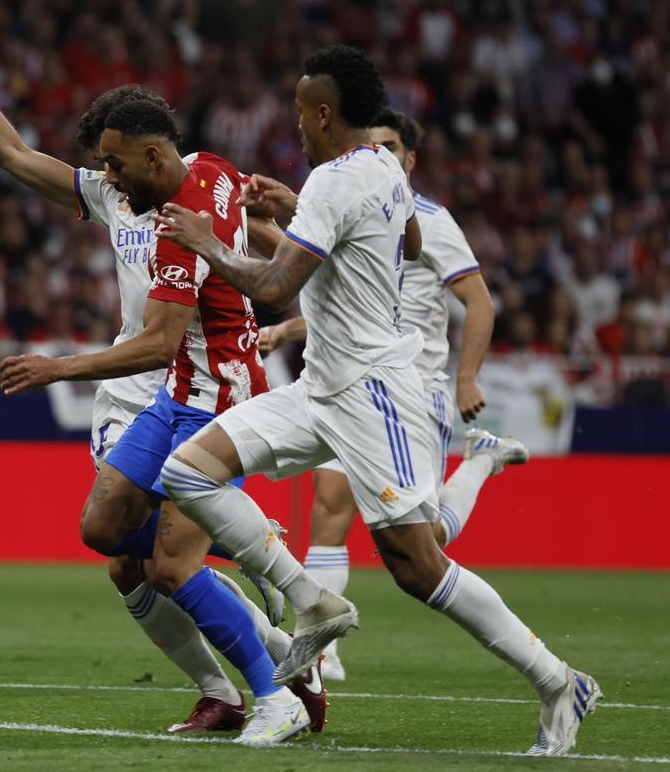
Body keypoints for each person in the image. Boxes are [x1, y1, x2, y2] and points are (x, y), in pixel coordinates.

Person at [154, 45, 599, 757]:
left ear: (324, 112)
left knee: (419, 565)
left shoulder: (338, 180)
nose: (295, 124)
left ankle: (557, 680)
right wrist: (303, 209)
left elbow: (270, 286)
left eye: (301, 111)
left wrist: (206, 239)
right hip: (320, 388)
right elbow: (412, 237)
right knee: (186, 471)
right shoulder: (380, 169)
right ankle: (313, 601)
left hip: (372, 394)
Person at [0, 2, 325, 739]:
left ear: (151, 155)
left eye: (113, 159)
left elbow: (177, 322)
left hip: (205, 388)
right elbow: (19, 160)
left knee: (170, 566)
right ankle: (251, 603)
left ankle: (271, 682)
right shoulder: (122, 194)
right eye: (101, 162)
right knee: (113, 544)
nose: (102, 173)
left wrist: (57, 368)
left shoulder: (198, 200)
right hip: (150, 393)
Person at [255, 107, 529, 681]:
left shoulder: (431, 219)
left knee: (424, 541)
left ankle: (480, 462)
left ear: (410, 158)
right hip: (351, 384)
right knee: (329, 508)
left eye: (388, 145)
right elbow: (353, 298)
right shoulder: (350, 202)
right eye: (369, 141)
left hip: (415, 387)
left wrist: (467, 378)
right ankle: (321, 649)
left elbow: (479, 302)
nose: (375, 153)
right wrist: (287, 328)